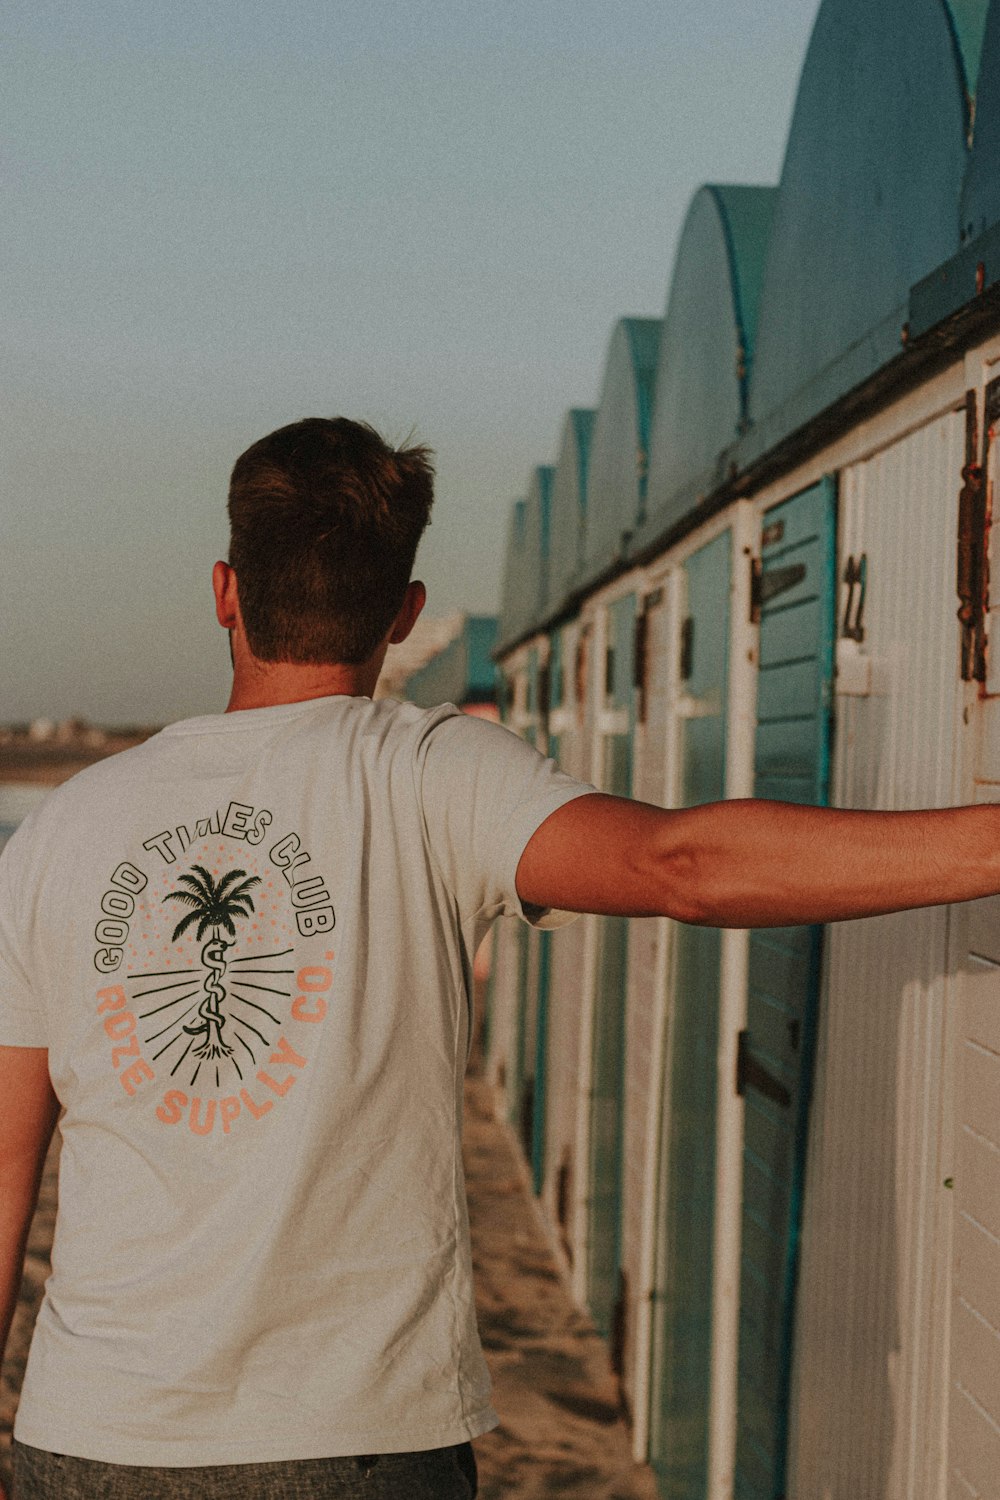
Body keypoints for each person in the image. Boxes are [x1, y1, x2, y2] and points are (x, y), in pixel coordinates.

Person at [1, 416, 998, 1500]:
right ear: (406, 610)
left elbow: (7, 1158)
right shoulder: (431, 773)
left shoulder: (63, 827)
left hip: (90, 1433)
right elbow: (682, 864)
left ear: (225, 590)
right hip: (353, 1438)